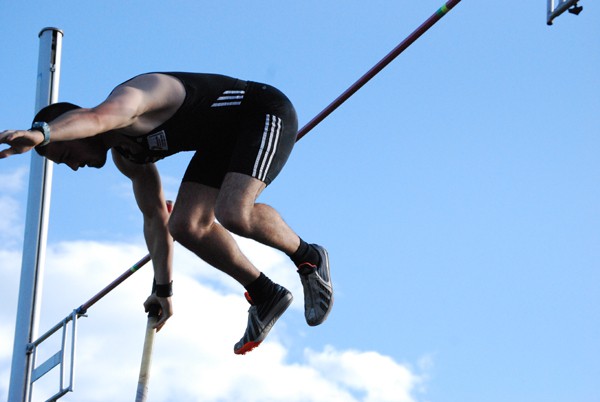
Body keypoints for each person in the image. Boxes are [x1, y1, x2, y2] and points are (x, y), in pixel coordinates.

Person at [0, 72, 333, 355]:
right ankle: (265, 293)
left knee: (233, 212)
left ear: (75, 128)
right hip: (222, 140)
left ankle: (308, 257)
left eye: (66, 154)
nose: (73, 166)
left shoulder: (131, 100)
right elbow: (153, 218)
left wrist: (42, 133)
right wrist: (163, 289)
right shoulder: (128, 156)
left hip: (260, 113)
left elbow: (97, 118)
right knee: (185, 225)